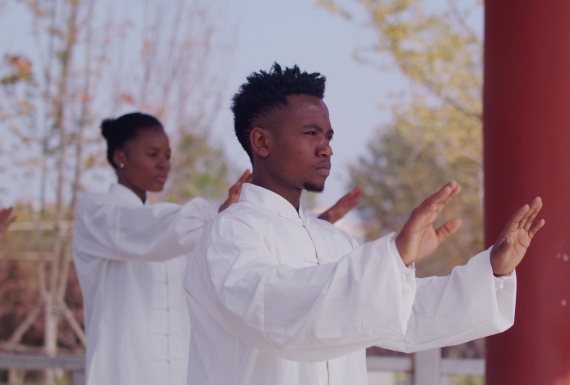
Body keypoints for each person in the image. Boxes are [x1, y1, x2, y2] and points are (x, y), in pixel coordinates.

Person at [183, 63, 545, 385]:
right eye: (311, 134)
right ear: (261, 141)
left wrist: (492, 273)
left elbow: (406, 315)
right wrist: (392, 257)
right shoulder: (229, 234)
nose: (326, 148)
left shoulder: (334, 241)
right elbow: (275, 312)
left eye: (328, 136)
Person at [72, 112, 360, 385]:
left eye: (168, 156)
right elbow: (140, 230)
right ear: (120, 157)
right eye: (153, 155)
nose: (164, 163)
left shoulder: (177, 228)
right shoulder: (95, 212)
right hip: (123, 372)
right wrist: (216, 213)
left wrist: (313, 227)